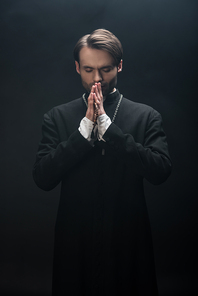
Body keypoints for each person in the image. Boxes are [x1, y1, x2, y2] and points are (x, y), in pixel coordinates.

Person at [33, 29, 172, 296]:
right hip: (74, 243)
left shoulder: (146, 116)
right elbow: (42, 177)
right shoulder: (56, 117)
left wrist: (110, 132)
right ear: (77, 67)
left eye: (106, 69)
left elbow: (160, 171)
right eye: (88, 69)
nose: (97, 78)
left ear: (120, 65)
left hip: (129, 242)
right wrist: (85, 130)